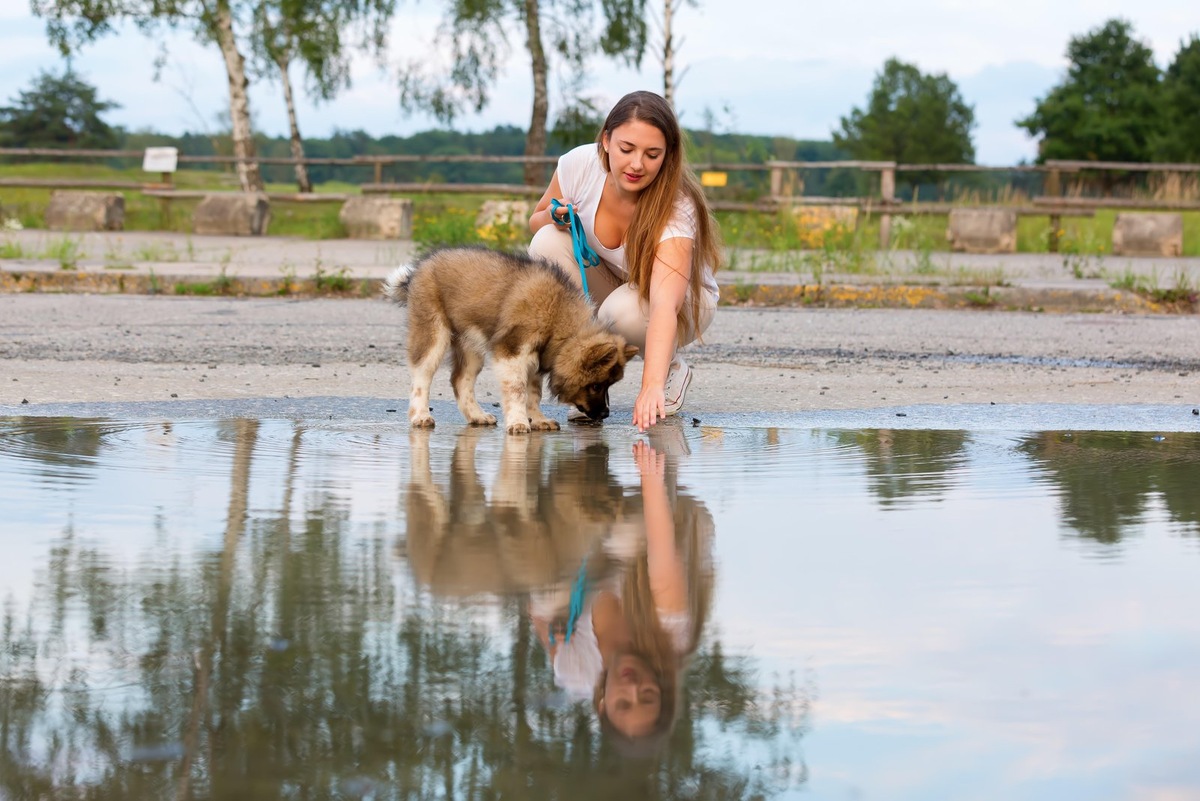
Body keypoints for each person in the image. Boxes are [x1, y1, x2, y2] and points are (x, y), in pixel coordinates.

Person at [528, 90, 723, 432]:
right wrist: (556, 216)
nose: (636, 164)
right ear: (606, 140)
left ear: (668, 155)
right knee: (545, 244)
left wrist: (649, 387)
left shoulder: (677, 205)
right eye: (626, 149)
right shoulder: (578, 165)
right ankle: (588, 380)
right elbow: (535, 221)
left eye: (652, 154)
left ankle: (669, 368)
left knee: (620, 313)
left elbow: (664, 304)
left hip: (683, 302)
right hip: (614, 283)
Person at [530, 433, 715, 752]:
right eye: (647, 696)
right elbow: (661, 551)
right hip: (674, 523)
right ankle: (591, 460)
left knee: (548, 590)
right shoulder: (671, 636)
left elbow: (537, 610)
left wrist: (553, 618)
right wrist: (651, 476)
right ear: (662, 689)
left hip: (597, 548)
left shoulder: (577, 672)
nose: (633, 687)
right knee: (622, 538)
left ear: (603, 705)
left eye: (623, 704)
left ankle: (582, 465)